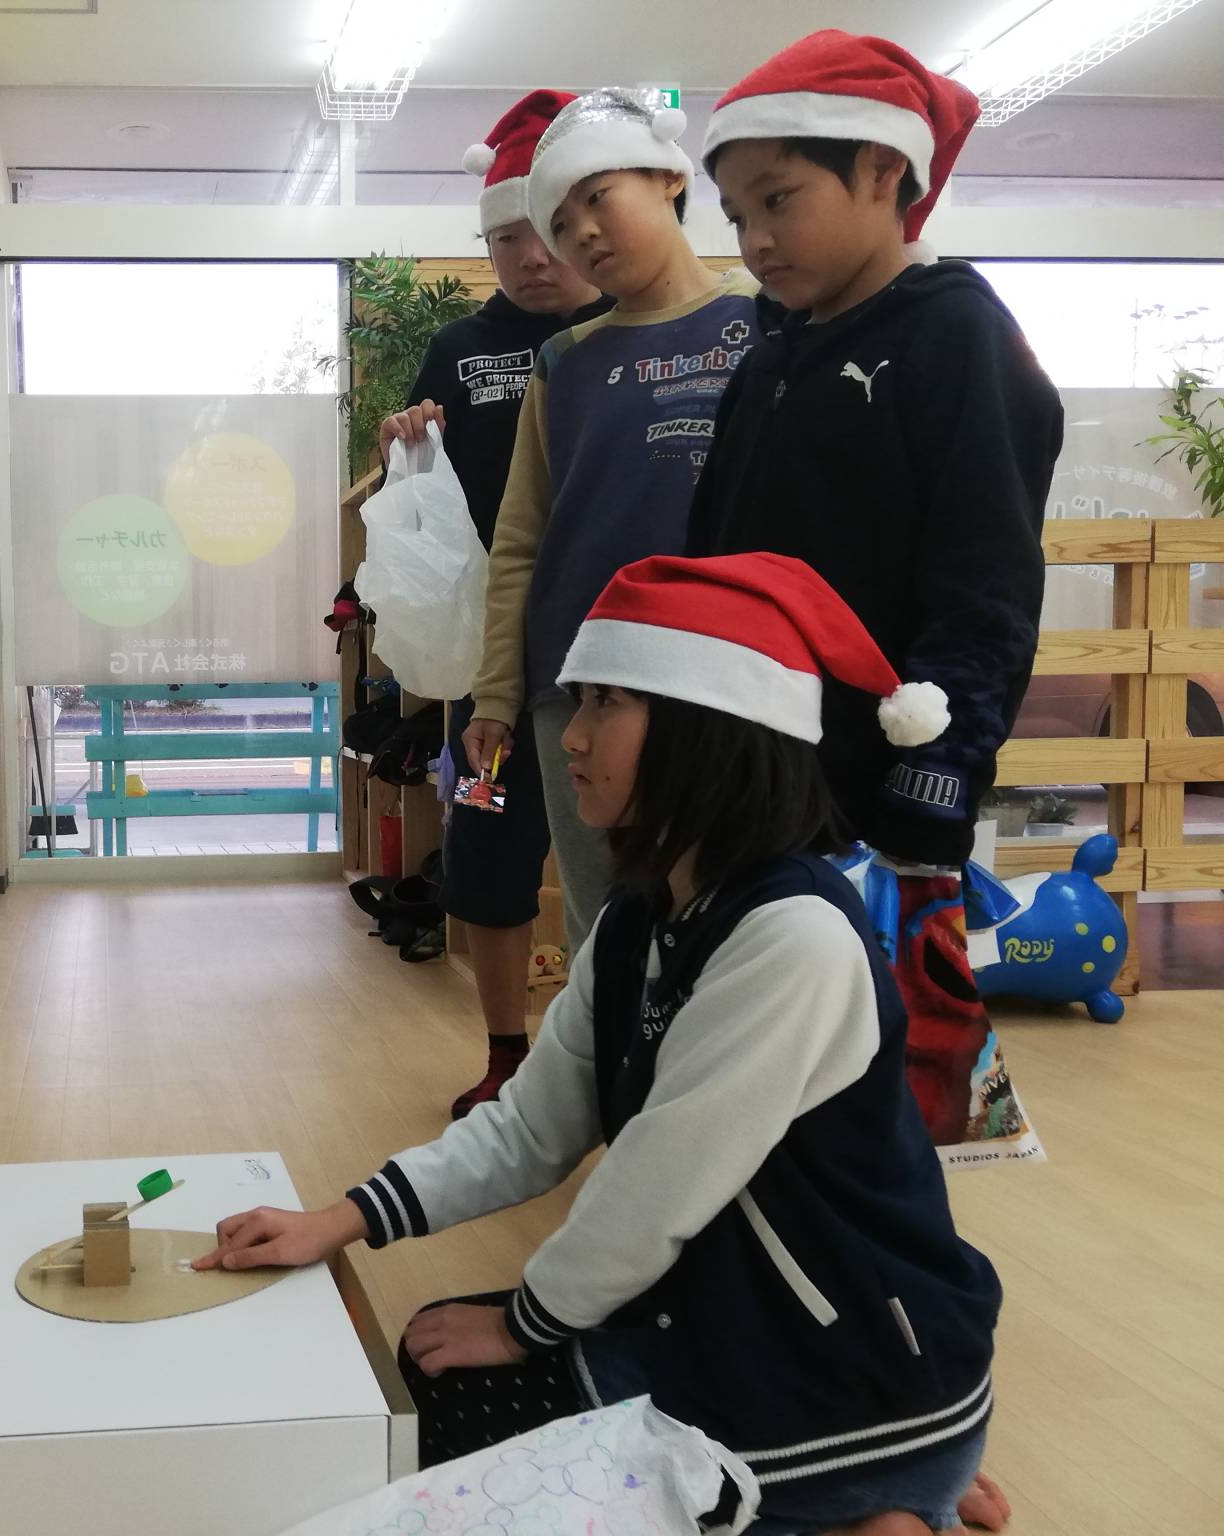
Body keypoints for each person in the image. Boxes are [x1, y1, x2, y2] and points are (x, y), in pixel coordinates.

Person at [198, 553, 1004, 1536]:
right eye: (577, 701)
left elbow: (655, 1186)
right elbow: (530, 1127)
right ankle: (882, 1493)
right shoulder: (637, 920)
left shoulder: (791, 937)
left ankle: (888, 1482)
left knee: (451, 1401)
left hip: (842, 1370)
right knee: (429, 1358)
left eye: (605, 703)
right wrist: (342, 1218)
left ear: (710, 727)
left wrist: (521, 1325)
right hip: (729, 1319)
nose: (571, 736)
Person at [691, 31, 1061, 1169]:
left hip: (873, 788)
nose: (753, 240)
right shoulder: (770, 351)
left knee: (875, 1103)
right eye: (735, 215)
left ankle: (888, 1280)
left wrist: (937, 772)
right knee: (742, 1074)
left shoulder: (956, 333)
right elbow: (714, 553)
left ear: (882, 171)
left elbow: (986, 578)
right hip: (745, 766)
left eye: (778, 200)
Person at [462, 88, 759, 960]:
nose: (582, 232)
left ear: (670, 177)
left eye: (597, 197)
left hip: (727, 672)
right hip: (580, 678)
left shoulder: (765, 320)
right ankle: (608, 1054)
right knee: (607, 924)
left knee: (732, 911)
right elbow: (521, 542)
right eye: (559, 223)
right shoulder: (565, 360)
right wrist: (496, 694)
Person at [377, 89, 610, 1119]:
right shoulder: (460, 347)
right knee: (486, 848)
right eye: (503, 238)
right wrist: (404, 439)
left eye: (542, 233)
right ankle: (508, 1055)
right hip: (493, 660)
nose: (527, 257)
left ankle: (612, 1055)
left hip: (612, 648)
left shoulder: (628, 335)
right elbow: (424, 482)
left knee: (623, 858)